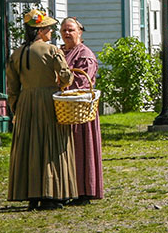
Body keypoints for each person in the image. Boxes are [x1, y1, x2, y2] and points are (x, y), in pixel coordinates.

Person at [7, 9, 77, 211]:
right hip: (48, 101)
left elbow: (12, 87)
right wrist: (61, 82)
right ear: (39, 31)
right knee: (51, 144)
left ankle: (31, 194)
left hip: (26, 101)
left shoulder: (17, 54)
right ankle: (51, 194)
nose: (51, 32)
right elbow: (66, 77)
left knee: (29, 146)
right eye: (48, 28)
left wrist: (16, 108)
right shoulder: (52, 50)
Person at [60, 17, 104, 205]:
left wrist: (60, 85)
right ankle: (67, 189)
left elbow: (82, 84)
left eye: (70, 30)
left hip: (80, 110)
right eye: (63, 30)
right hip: (64, 111)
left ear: (80, 32)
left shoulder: (85, 55)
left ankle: (84, 191)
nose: (67, 34)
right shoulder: (60, 52)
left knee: (81, 149)